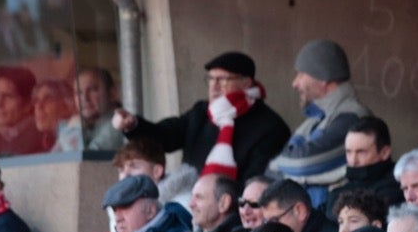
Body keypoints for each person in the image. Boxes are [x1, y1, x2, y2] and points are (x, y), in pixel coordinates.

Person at [113, 51, 290, 179]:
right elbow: (165, 136)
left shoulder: (270, 127)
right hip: (193, 203)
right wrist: (133, 124)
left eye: (223, 79)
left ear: (246, 83)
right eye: (210, 79)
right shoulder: (202, 112)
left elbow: (257, 179)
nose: (214, 86)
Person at [270, 40, 371, 200]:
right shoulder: (315, 119)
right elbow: (274, 170)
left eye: (301, 74)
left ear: (323, 77)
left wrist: (285, 169)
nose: (295, 83)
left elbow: (303, 164)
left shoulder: (352, 117)